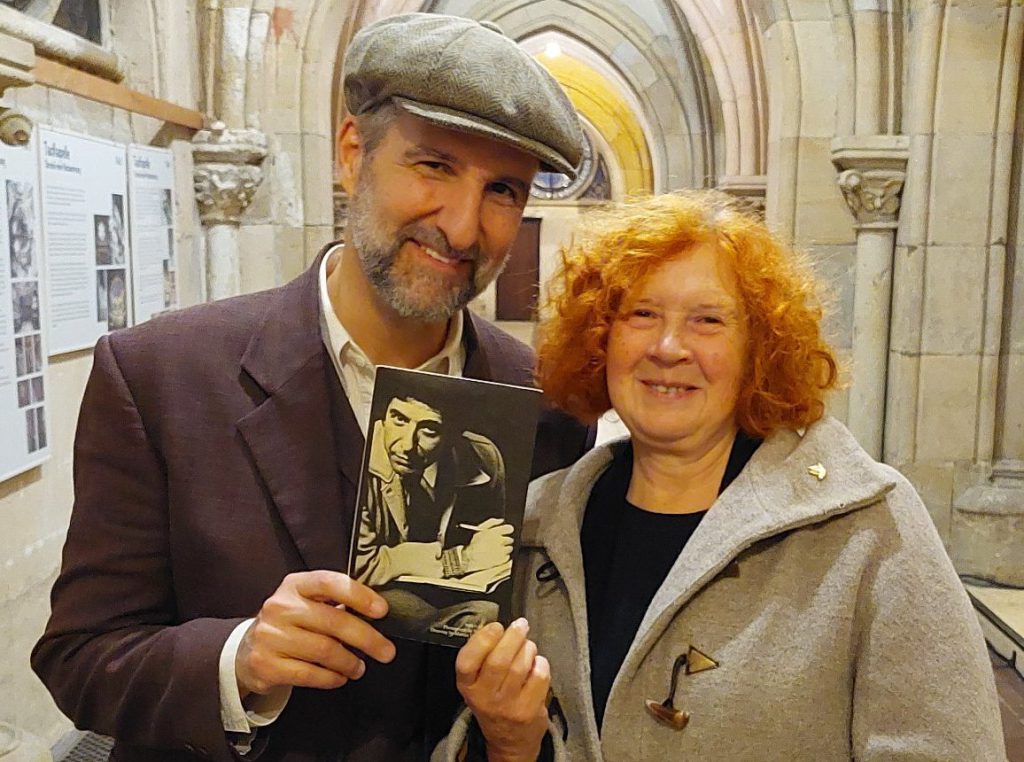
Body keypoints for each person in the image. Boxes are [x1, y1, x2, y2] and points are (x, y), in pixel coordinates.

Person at [32, 13, 591, 762]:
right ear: (351, 151)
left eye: (502, 189)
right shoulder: (161, 377)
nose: (461, 227)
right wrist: (241, 659)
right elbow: (80, 655)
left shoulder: (545, 406)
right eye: (432, 167)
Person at [436, 191, 1006, 762]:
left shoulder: (871, 528)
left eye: (708, 320)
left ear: (759, 350)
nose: (668, 347)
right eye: (642, 314)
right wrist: (513, 744)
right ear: (601, 337)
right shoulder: (536, 526)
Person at [353, 393, 513, 639]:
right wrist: (462, 559)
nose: (406, 445)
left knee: (491, 614)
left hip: (455, 594)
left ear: (452, 434)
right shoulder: (357, 454)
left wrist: (499, 546)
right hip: (379, 601)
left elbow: (493, 547)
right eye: (398, 419)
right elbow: (362, 567)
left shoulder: (484, 457)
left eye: (428, 430)